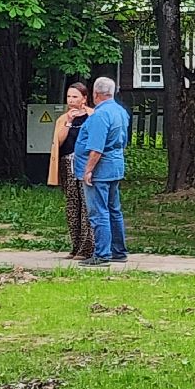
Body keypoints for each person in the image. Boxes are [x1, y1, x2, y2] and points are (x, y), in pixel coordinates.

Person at [73, 77, 131, 268]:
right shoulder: (120, 111)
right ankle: (119, 251)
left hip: (100, 169)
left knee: (99, 212)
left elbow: (96, 147)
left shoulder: (100, 115)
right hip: (115, 166)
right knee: (114, 210)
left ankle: (102, 254)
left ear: (95, 94)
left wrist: (88, 170)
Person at [47, 82, 95, 260]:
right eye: (69, 96)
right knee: (72, 205)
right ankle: (75, 246)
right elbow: (58, 142)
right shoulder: (62, 119)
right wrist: (68, 122)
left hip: (85, 163)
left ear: (84, 98)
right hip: (68, 163)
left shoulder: (93, 116)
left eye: (75, 96)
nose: (71, 100)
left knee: (86, 204)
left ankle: (87, 247)